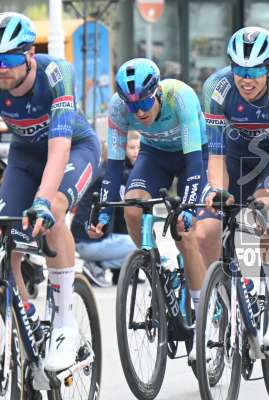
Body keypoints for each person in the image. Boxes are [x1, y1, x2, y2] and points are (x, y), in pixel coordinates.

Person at [88, 58, 208, 361]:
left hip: (194, 155)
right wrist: (104, 212)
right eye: (132, 106)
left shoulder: (179, 96)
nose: (139, 112)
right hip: (155, 155)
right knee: (132, 208)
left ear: (156, 93)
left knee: (185, 232)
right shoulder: (118, 108)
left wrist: (188, 207)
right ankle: (157, 264)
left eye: (144, 103)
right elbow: (114, 166)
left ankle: (203, 321)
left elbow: (195, 163)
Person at [0, 13, 101, 371]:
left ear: (29, 55)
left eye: (8, 59)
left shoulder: (56, 73)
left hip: (74, 149)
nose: (1, 69)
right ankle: (25, 316)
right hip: (25, 156)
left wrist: (42, 200)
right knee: (5, 235)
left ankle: (64, 324)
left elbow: (59, 147)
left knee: (53, 211)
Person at [198, 27, 269, 348]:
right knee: (206, 229)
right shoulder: (216, 88)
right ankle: (221, 298)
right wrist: (218, 192)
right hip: (235, 157)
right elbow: (215, 154)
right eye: (239, 69)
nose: (246, 79)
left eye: (255, 70)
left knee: (265, 218)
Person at [73, 135, 139, 287]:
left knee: (135, 245)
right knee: (143, 244)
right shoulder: (108, 177)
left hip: (88, 241)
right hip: (88, 243)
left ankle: (98, 265)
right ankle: (96, 265)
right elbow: (134, 177)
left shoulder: (101, 173)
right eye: (131, 148)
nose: (135, 152)